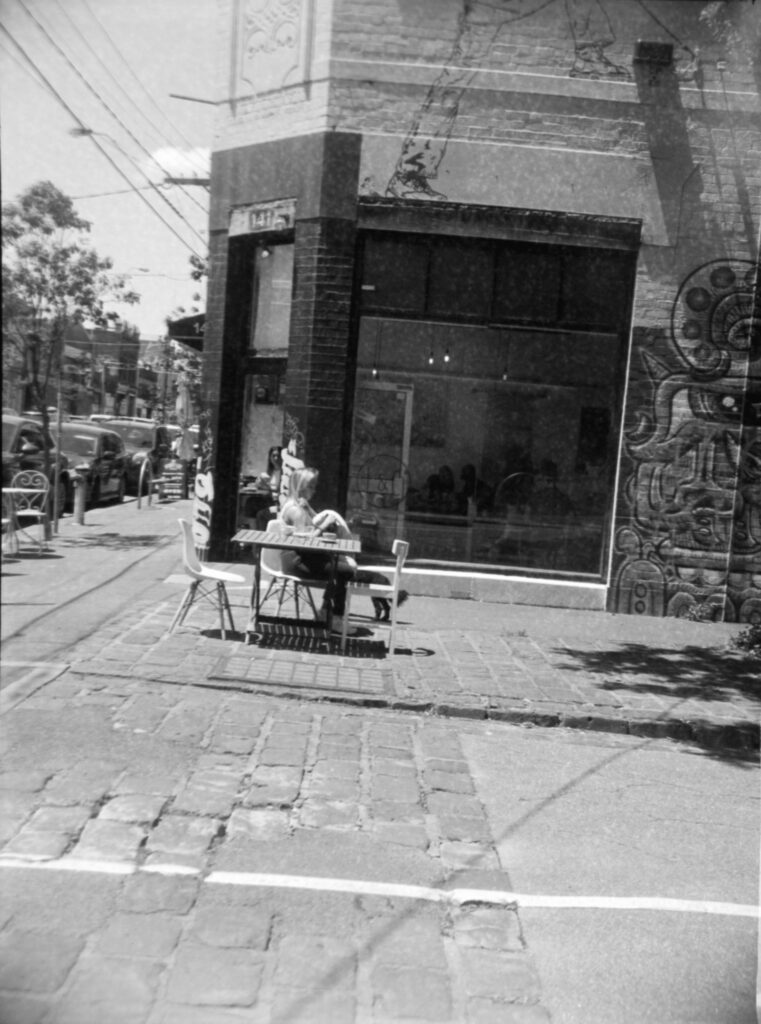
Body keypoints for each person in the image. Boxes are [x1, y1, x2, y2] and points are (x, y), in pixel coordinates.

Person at [280, 467, 408, 629]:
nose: (314, 490)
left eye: (314, 485)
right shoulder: (294, 510)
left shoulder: (298, 505)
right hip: (297, 562)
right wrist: (323, 527)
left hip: (303, 557)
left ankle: (326, 613)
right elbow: (306, 541)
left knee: (344, 566)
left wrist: (313, 514)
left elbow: (310, 527)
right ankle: (334, 618)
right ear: (301, 486)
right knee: (344, 572)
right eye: (311, 486)